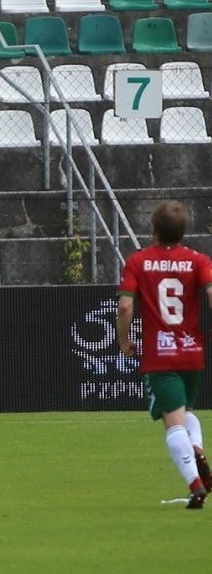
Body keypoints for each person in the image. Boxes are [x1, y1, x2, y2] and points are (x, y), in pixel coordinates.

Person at [116, 200, 212, 509]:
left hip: (161, 354)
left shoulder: (138, 261)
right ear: (183, 232)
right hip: (192, 352)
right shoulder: (198, 260)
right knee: (185, 413)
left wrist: (124, 340)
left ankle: (195, 484)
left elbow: (125, 306)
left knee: (172, 423)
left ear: (154, 229)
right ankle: (197, 450)